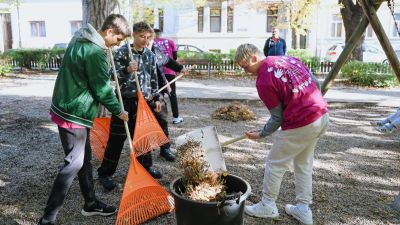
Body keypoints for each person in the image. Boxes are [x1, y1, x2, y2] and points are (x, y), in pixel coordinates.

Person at [37, 14, 130, 225]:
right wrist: (119, 111)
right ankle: (47, 219)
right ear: (109, 32)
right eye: (119, 39)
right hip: (74, 112)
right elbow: (103, 90)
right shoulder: (95, 51)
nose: (118, 44)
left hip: (65, 103)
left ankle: (90, 203)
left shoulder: (81, 36)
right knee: (74, 162)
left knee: (83, 158)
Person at [235, 44, 329, 225]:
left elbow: (277, 117)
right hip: (322, 116)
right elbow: (315, 83)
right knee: (303, 163)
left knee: (275, 164)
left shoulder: (264, 80)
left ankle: (268, 205)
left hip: (301, 123)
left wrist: (261, 134)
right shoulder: (289, 59)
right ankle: (303, 209)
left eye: (244, 66)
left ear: (254, 58)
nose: (245, 71)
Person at [97, 22, 174, 191]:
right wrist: (126, 69)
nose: (145, 40)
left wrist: (157, 99)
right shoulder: (123, 52)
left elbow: (154, 79)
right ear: (134, 35)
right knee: (117, 139)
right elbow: (111, 75)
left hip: (143, 101)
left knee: (142, 136)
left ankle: (146, 166)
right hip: (124, 100)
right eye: (141, 36)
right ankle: (105, 173)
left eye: (148, 37)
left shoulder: (150, 55)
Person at [153, 28, 184, 124]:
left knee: (158, 95)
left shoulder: (150, 43)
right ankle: (175, 117)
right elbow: (174, 57)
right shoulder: (170, 42)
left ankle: (158, 119)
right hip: (170, 71)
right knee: (172, 94)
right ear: (160, 33)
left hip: (157, 72)